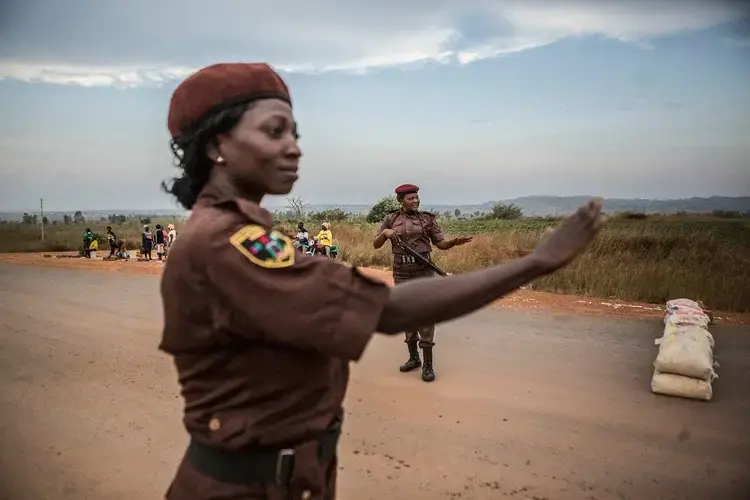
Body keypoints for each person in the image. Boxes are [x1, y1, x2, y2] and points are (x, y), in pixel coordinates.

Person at [158, 62, 605, 500]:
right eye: (275, 131)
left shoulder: (231, 231)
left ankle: (422, 359)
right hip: (247, 487)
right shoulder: (229, 242)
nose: (294, 147)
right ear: (218, 145)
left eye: (296, 134)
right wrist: (536, 262)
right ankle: (419, 358)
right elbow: (388, 310)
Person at [373, 184, 472, 382]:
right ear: (401, 200)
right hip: (401, 272)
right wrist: (385, 233)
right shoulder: (391, 219)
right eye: (411, 198)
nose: (416, 201)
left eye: (417, 198)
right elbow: (376, 244)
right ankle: (413, 358)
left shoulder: (427, 219)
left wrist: (453, 242)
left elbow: (440, 244)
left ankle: (427, 365)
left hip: (423, 271)